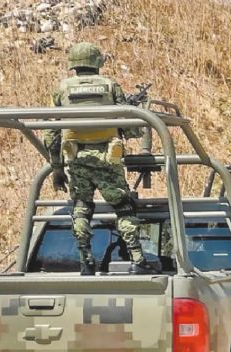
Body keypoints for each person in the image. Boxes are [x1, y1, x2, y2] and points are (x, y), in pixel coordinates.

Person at [43, 42, 158, 275]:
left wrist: (57, 168)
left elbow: (50, 133)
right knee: (124, 208)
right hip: (108, 157)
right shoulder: (110, 85)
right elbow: (130, 123)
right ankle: (138, 258)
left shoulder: (61, 89)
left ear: (74, 64)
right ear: (97, 62)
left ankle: (85, 262)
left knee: (81, 208)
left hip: (76, 157)